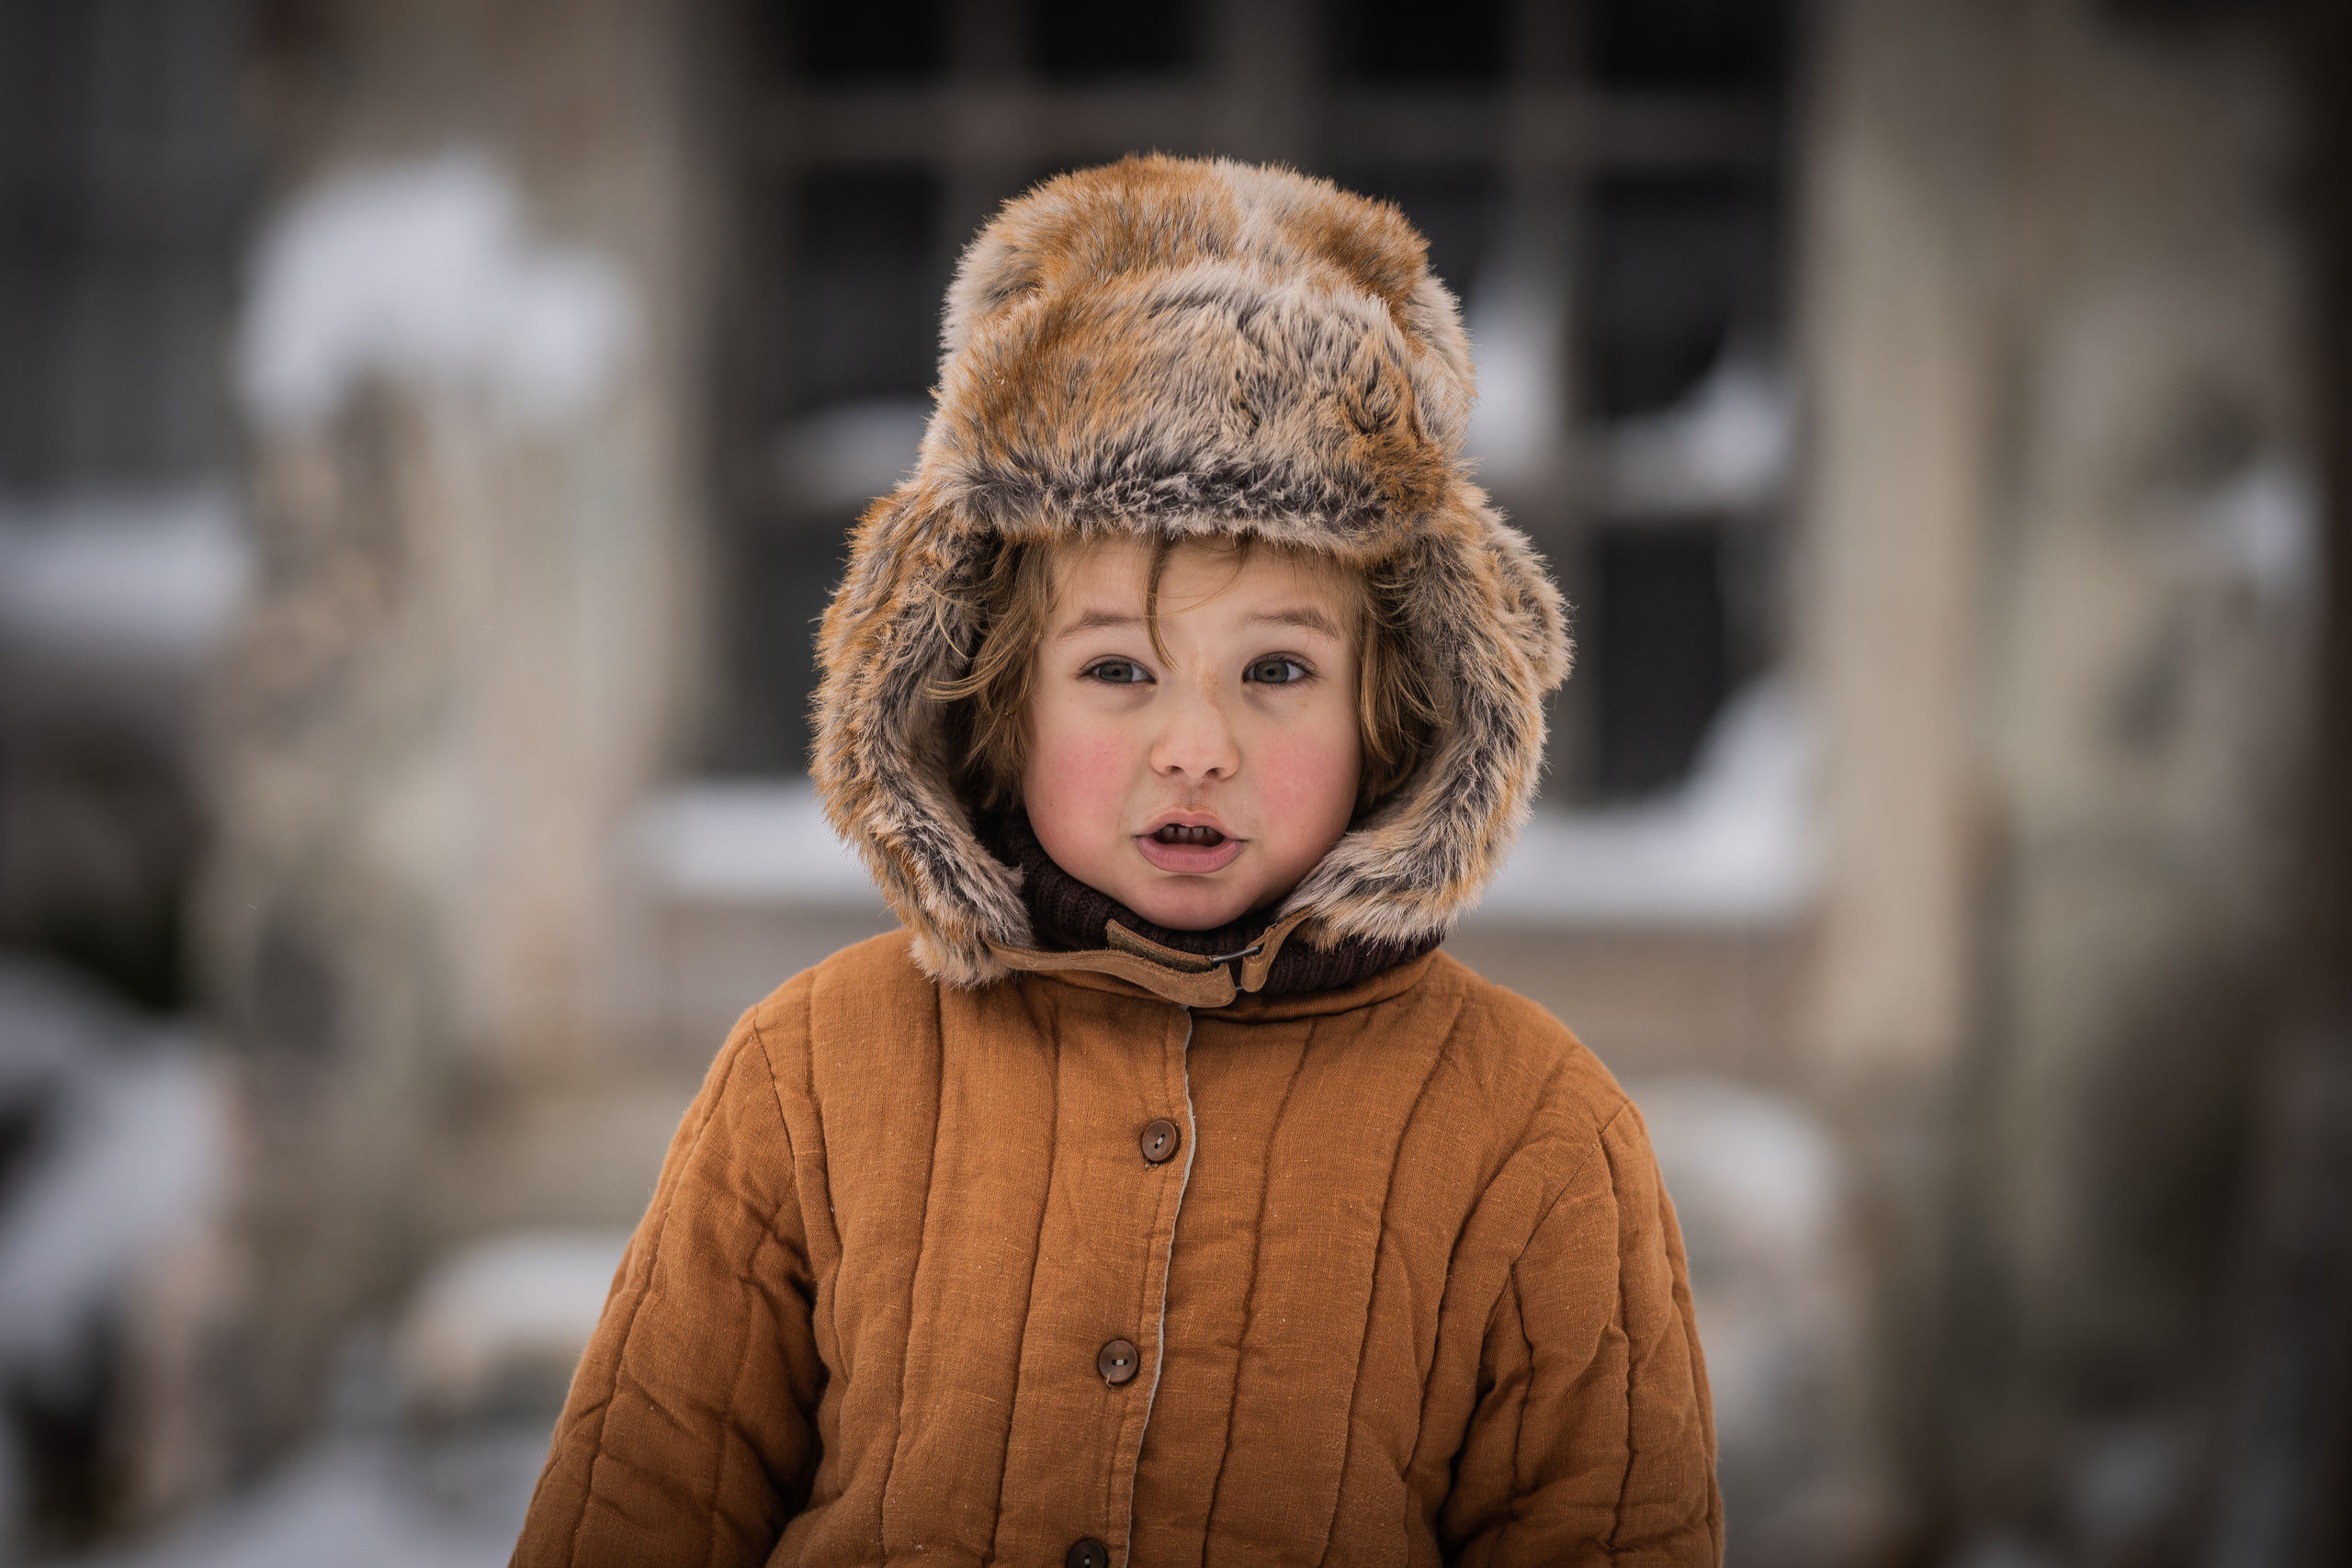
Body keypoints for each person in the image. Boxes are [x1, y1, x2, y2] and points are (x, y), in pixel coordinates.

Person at [511, 154, 1720, 1568]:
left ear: (1398, 708)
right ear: (992, 693)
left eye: (1276, 667)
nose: (1195, 745)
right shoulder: (809, 1078)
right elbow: (638, 1513)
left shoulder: (1535, 1133)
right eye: (1118, 670)